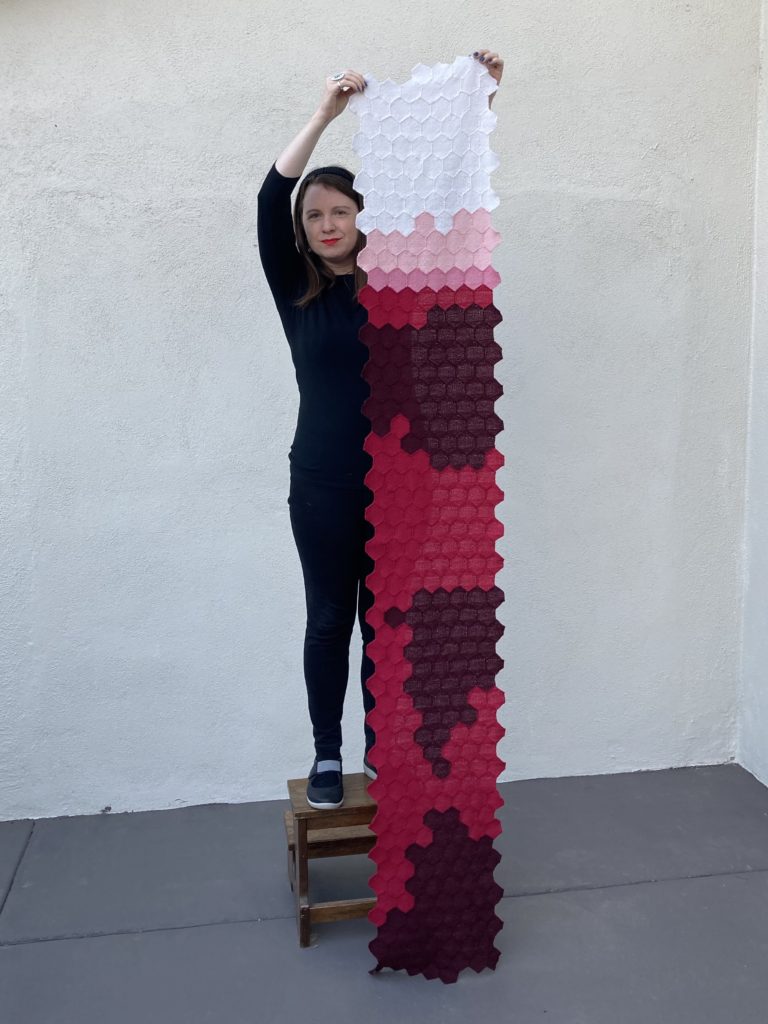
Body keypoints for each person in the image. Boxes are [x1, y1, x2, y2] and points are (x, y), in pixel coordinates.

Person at [257, 51, 504, 811]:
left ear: (363, 217)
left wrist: (480, 103)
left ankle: (385, 753)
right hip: (325, 487)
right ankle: (329, 755)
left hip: (402, 488)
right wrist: (327, 114)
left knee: (389, 629)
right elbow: (270, 196)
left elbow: (451, 205)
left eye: (339, 210)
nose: (328, 224)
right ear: (304, 232)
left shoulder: (400, 285)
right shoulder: (296, 292)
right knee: (331, 619)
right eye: (315, 216)